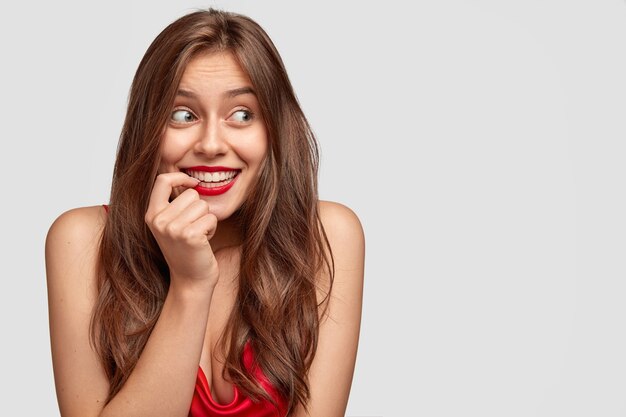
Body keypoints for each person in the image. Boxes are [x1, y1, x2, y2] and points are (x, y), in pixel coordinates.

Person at [45, 8, 364, 417]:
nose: (212, 143)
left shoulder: (328, 236)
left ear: (273, 131)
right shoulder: (81, 241)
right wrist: (191, 285)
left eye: (242, 114)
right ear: (148, 129)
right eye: (183, 115)